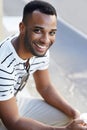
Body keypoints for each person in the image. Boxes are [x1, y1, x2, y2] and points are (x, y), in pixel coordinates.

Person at [0, 0, 87, 130]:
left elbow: (45, 87)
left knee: (71, 118)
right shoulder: (4, 65)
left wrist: (74, 113)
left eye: (51, 32)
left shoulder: (39, 49)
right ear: (22, 28)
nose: (45, 40)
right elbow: (13, 122)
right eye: (38, 30)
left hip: (13, 102)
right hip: (5, 116)